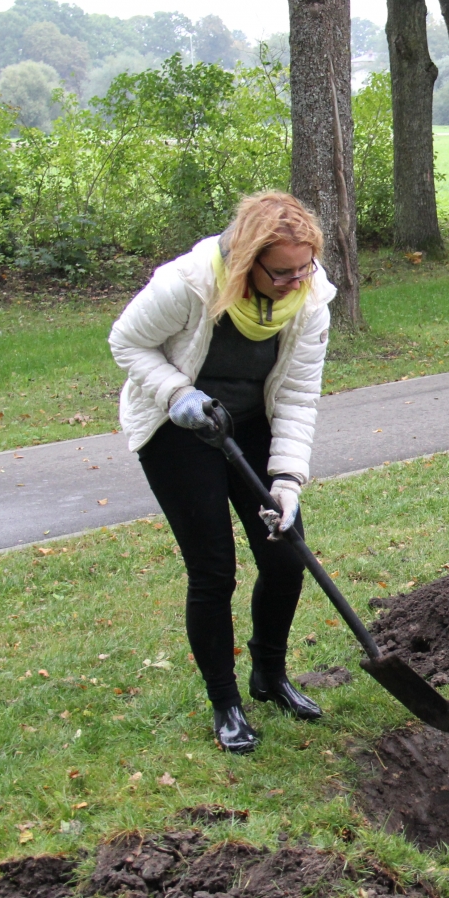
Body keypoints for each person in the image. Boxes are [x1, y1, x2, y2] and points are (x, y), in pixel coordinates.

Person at [110, 191, 337, 754]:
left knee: (286, 557)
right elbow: (126, 342)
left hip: (251, 423)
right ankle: (226, 703)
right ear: (247, 260)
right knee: (213, 570)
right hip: (178, 431)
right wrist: (176, 392)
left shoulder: (310, 299)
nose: (296, 279)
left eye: (304, 266)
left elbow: (299, 396)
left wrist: (286, 481)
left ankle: (270, 676)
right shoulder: (187, 284)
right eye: (282, 270)